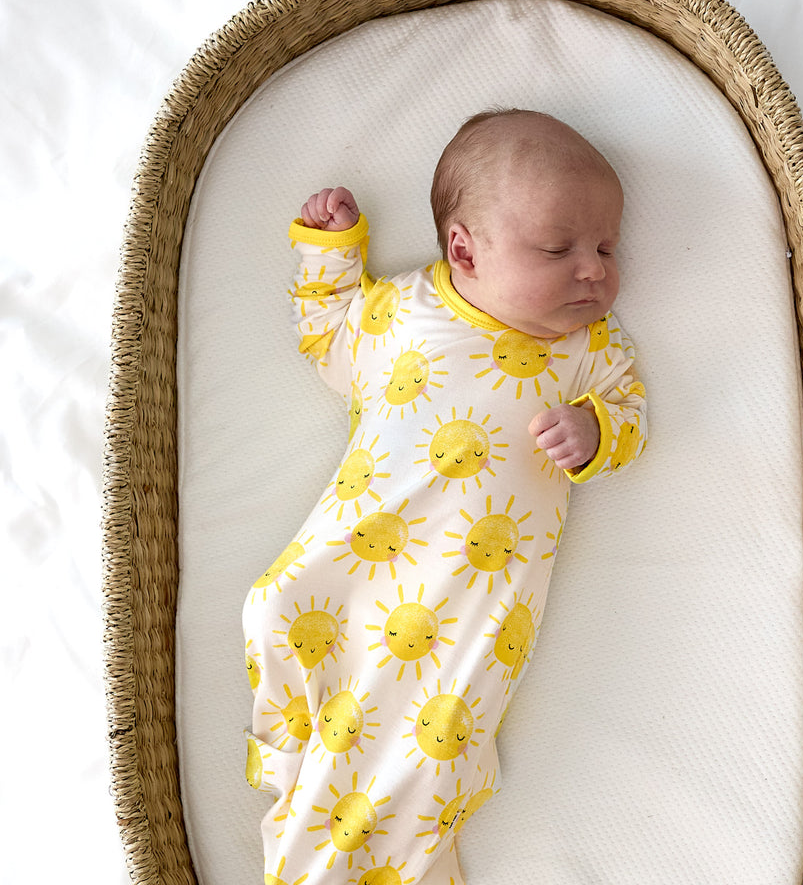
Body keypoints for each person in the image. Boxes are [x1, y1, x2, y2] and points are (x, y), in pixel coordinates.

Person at [242, 109, 647, 885]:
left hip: (471, 596)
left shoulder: (586, 350)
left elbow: (631, 413)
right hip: (357, 550)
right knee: (274, 607)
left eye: (605, 247)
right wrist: (331, 251)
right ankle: (289, 751)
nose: (594, 270)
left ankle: (397, 861)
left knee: (430, 742)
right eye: (559, 249)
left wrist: (594, 431)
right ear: (464, 249)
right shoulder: (398, 312)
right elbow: (328, 335)